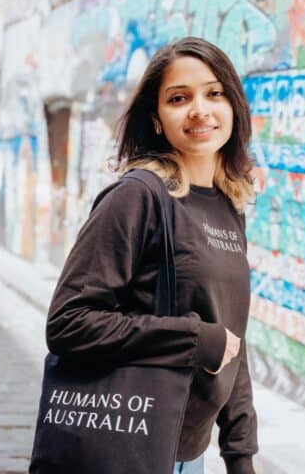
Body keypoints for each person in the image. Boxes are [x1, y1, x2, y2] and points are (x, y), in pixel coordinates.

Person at [46, 37, 258, 474]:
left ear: (233, 106)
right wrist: (194, 339)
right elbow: (68, 322)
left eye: (214, 93)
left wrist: (240, 455)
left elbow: (233, 337)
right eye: (179, 98)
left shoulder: (228, 204)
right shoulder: (136, 197)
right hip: (131, 439)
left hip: (187, 452)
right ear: (157, 120)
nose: (200, 109)